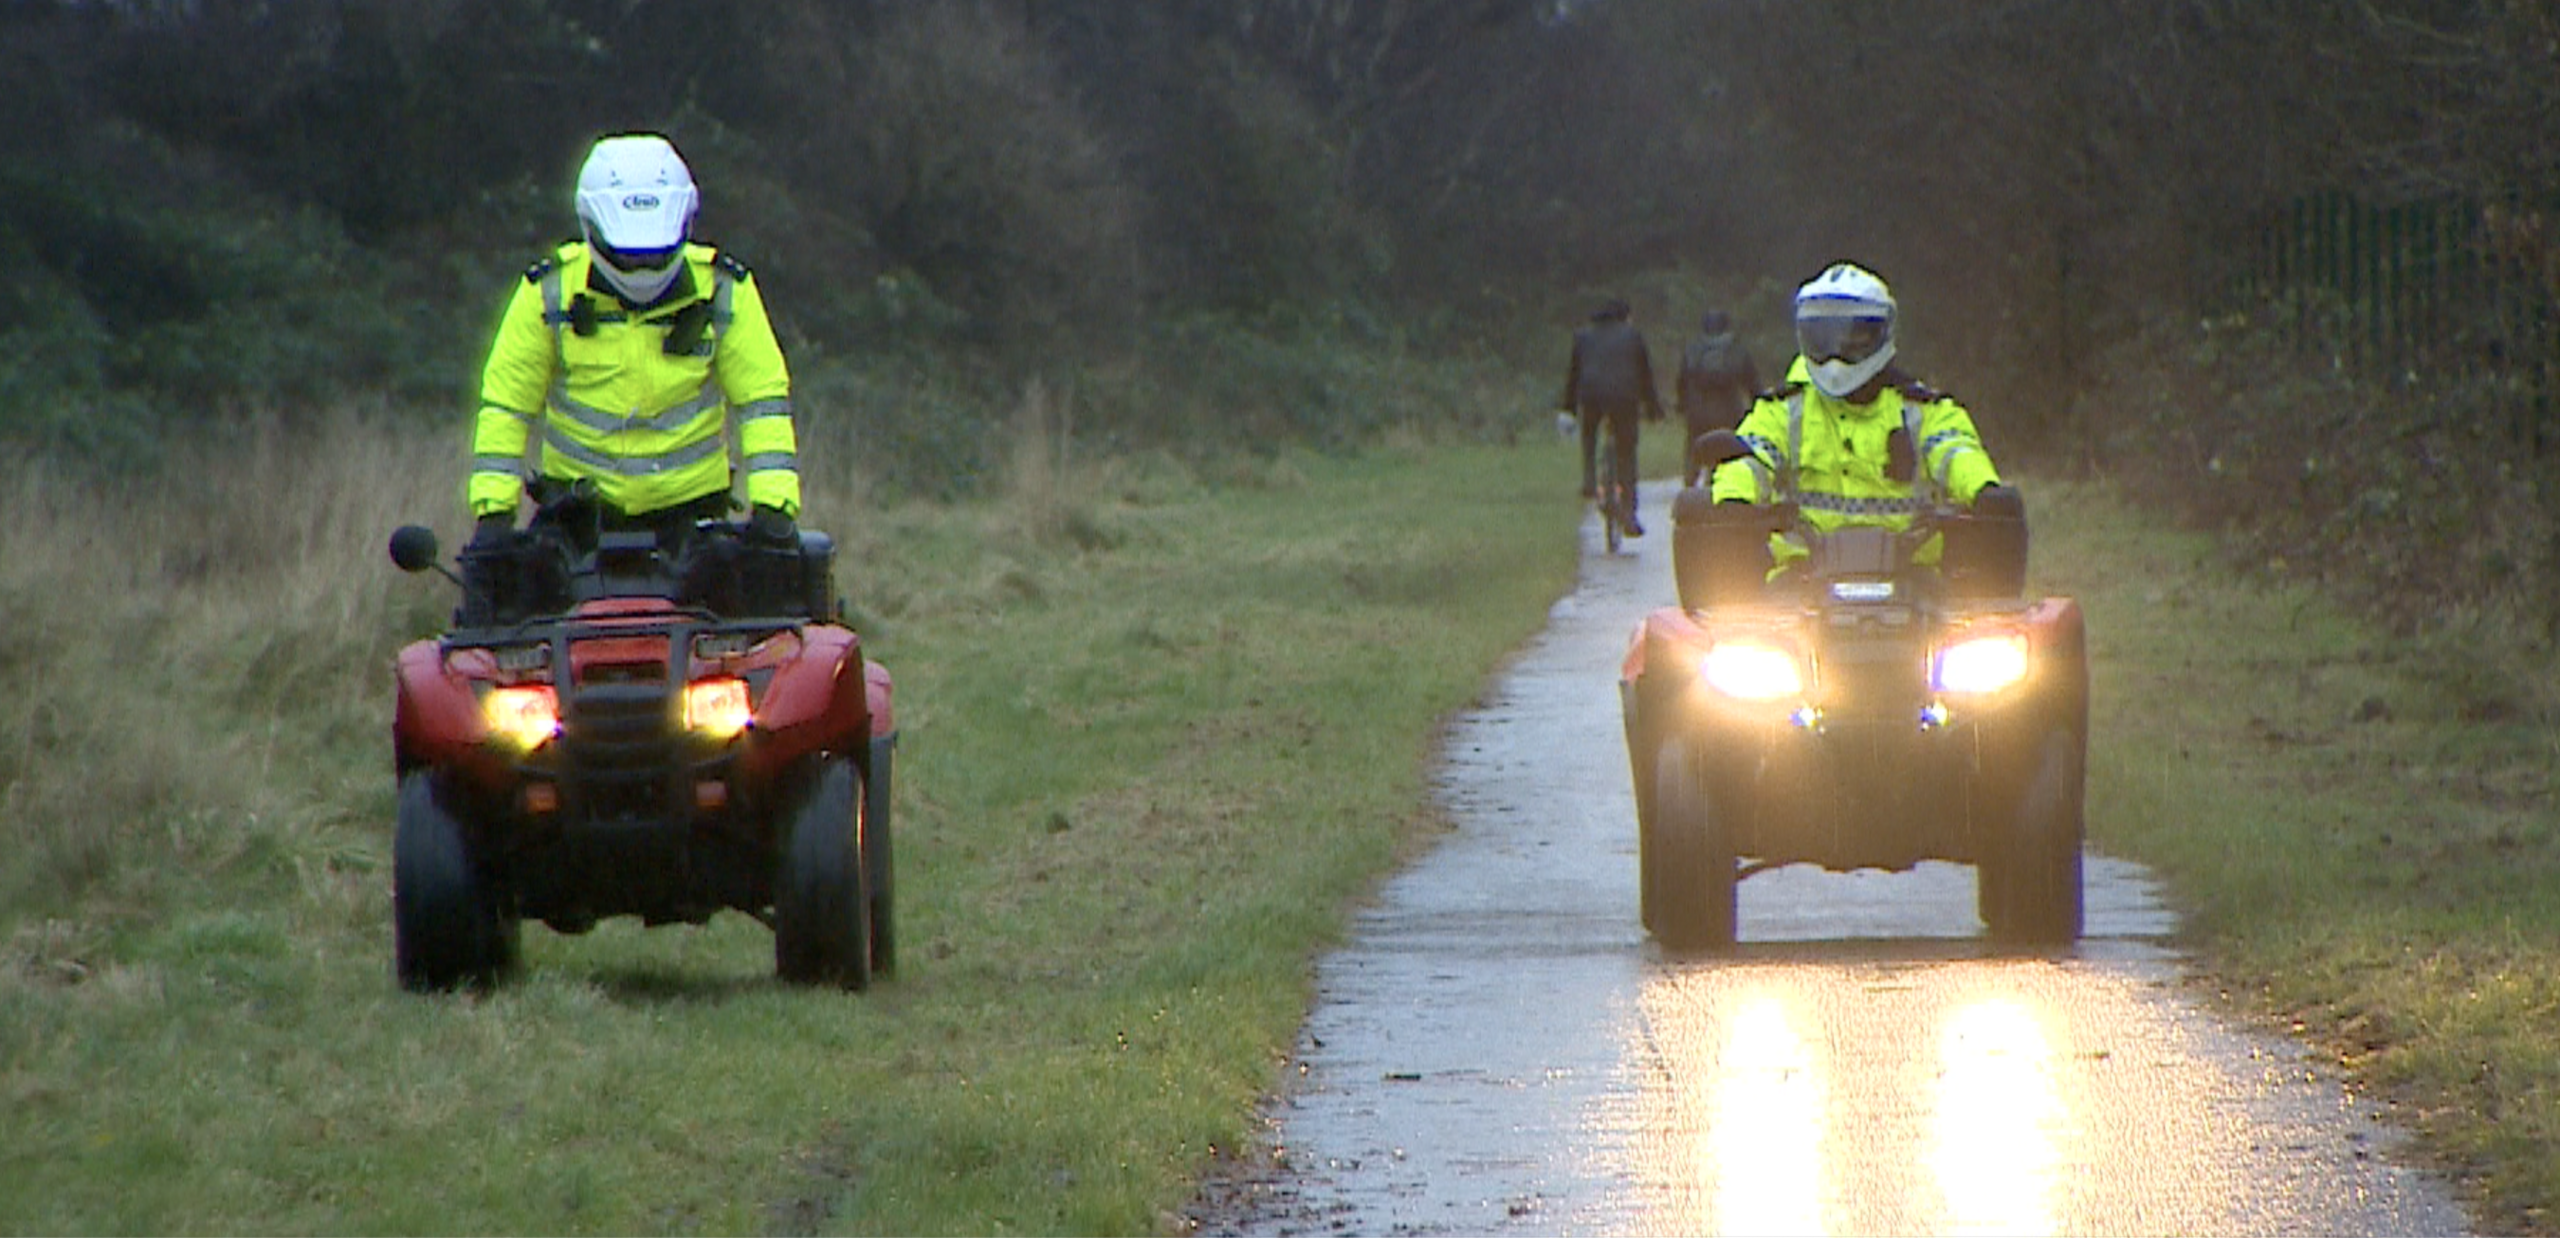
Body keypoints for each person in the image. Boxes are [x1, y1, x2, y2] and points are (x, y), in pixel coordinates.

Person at [466, 132, 801, 559]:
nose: (642, 269)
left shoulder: (724, 290)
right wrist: (493, 514)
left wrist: (775, 508)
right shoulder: (547, 292)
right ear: (591, 230)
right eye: (627, 257)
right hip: (573, 521)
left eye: (655, 255)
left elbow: (762, 402)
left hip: (696, 524)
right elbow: (506, 405)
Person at [1705, 262, 2018, 574]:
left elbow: (1956, 450)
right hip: (1802, 581)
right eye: (1823, 339)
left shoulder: (1923, 410)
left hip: (1914, 580)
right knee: (1734, 615)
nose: (1836, 355)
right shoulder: (1782, 410)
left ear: (1882, 334)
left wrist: (1984, 490)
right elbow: (1750, 457)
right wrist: (1734, 500)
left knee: (1989, 616)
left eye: (1853, 339)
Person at [1556, 297, 1665, 535]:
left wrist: (1569, 408)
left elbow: (1574, 376)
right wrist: (1653, 409)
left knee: (1589, 433)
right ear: (1624, 316)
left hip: (1591, 394)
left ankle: (1589, 479)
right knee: (1626, 452)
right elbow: (1645, 375)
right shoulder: (1633, 335)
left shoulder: (1582, 336)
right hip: (1625, 397)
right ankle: (1628, 510)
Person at [1675, 308, 1760, 486]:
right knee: (1730, 449)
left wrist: (1682, 405)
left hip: (1698, 413)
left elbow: (1682, 381)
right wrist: (1756, 405)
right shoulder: (1736, 349)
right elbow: (1752, 382)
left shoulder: (1693, 348)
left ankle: (1689, 484)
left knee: (1693, 446)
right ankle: (1727, 488)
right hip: (1729, 411)